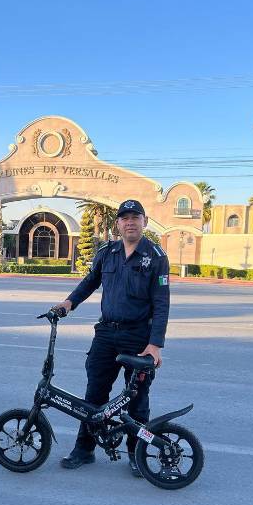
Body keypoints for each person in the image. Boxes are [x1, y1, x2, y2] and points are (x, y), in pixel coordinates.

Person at [53, 199, 171, 476]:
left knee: (138, 398)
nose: (130, 222)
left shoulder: (155, 256)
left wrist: (155, 344)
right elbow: (90, 281)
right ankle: (84, 449)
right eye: (124, 217)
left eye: (135, 217)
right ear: (117, 223)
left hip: (138, 337)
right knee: (94, 394)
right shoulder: (107, 252)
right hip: (106, 333)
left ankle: (136, 454)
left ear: (144, 221)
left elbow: (162, 302)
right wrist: (69, 303)